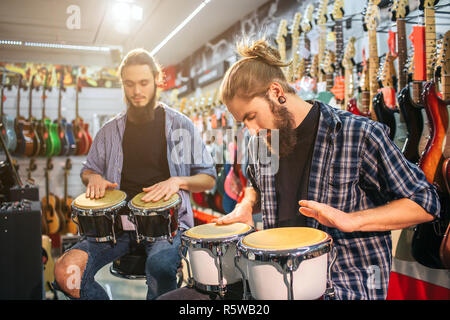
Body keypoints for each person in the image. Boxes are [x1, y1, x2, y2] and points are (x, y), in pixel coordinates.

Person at [159, 38, 441, 300]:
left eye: (251, 117)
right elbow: (255, 187)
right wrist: (247, 205)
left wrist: (351, 220)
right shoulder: (262, 140)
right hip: (273, 279)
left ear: (276, 92)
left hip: (341, 284)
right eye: (243, 122)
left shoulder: (358, 134)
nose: (251, 130)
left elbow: (425, 202)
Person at [54, 48, 216, 300]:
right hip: (114, 228)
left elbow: (207, 178)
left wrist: (178, 181)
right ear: (122, 85)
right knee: (66, 270)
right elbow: (89, 170)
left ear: (156, 81)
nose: (136, 91)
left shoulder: (180, 125)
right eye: (129, 84)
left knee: (160, 267)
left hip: (168, 228)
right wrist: (92, 177)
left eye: (143, 83)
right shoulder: (109, 131)